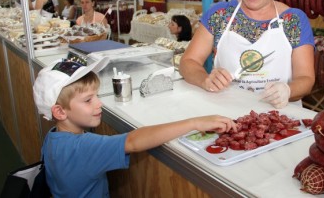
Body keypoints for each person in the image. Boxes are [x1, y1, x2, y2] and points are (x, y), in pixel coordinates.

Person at [32, 58, 236, 197]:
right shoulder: (82, 147)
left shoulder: (53, 138)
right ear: (59, 112)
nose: (99, 103)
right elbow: (133, 141)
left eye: (96, 96)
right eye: (88, 100)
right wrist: (195, 122)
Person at [179, 0, 315, 109]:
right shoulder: (219, 15)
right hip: (227, 114)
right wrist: (205, 79)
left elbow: (306, 78)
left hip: (282, 117)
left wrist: (288, 90)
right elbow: (188, 62)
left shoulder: (293, 21)